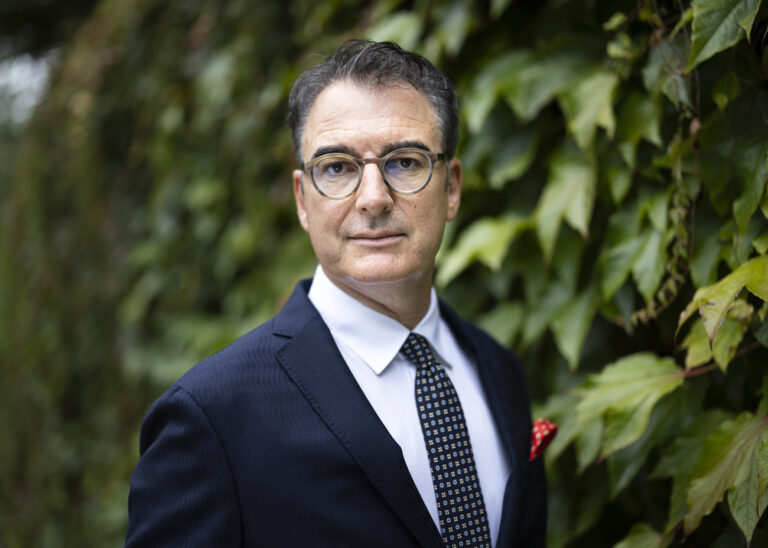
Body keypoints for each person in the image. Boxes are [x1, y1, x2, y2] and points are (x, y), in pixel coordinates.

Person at [125, 39, 546, 548]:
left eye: (405, 162)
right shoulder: (212, 415)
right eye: (337, 167)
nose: (373, 199)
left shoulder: (501, 372)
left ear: (451, 187)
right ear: (303, 200)